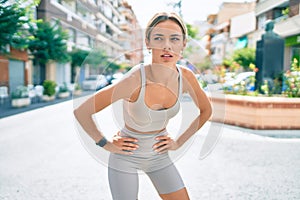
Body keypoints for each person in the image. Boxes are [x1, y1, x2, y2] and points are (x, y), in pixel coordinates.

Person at [73, 12, 212, 200]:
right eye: (158, 38)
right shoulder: (134, 80)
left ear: (183, 45)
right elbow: (82, 111)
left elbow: (206, 110)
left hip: (159, 156)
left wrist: (178, 142)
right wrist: (105, 143)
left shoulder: (186, 77)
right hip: (126, 157)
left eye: (174, 39)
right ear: (148, 43)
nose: (167, 45)